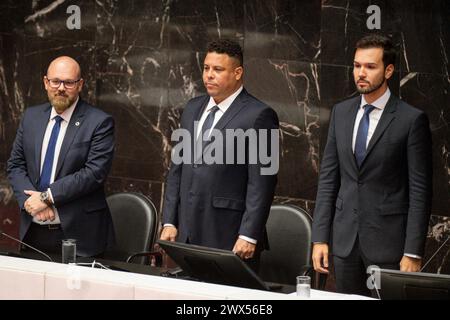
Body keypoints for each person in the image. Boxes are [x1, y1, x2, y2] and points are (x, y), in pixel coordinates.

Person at [311, 34, 433, 296]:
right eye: (357, 66)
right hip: (344, 243)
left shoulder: (410, 120)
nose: (361, 73)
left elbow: (420, 191)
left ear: (388, 70)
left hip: (390, 246)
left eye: (370, 66)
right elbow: (329, 179)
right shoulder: (341, 113)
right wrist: (320, 238)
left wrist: (412, 251)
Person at [160, 39, 279, 270]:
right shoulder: (193, 108)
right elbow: (177, 169)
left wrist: (249, 234)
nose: (209, 75)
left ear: (237, 73)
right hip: (186, 232)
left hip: (229, 235)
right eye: (206, 68)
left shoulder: (261, 115)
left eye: (218, 69)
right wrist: (170, 220)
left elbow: (263, 182)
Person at [7, 56, 115, 258]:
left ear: (80, 84)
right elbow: (15, 165)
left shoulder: (99, 122)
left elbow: (94, 173)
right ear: (46, 82)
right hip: (33, 230)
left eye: (69, 82)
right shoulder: (31, 117)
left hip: (79, 235)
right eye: (55, 81)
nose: (61, 88)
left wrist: (47, 198)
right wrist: (31, 204)